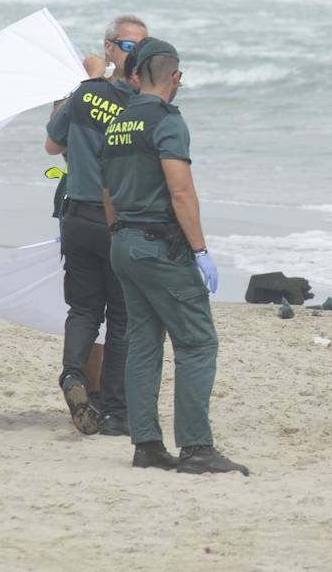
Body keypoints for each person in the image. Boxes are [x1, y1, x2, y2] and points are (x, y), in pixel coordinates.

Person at [101, 39, 247, 475]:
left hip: (124, 240)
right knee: (197, 342)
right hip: (160, 245)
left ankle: (146, 444)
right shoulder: (166, 122)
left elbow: (106, 189)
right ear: (175, 77)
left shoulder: (118, 121)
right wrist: (200, 249)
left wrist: (117, 232)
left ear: (136, 76)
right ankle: (196, 447)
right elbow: (180, 190)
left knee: (143, 344)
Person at [45, 14, 148, 437]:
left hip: (76, 216)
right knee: (121, 316)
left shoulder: (85, 94)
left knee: (84, 309)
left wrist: (83, 86)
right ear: (108, 48)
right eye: (127, 45)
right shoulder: (140, 102)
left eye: (141, 46)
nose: (134, 53)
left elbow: (53, 142)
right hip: (113, 220)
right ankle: (116, 410)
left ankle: (75, 377)